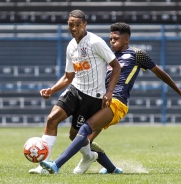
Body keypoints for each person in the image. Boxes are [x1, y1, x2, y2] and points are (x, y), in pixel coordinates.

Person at [39, 22, 181, 174]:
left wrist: (179, 91)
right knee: (79, 137)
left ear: (126, 39)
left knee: (85, 130)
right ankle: (113, 169)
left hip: (117, 102)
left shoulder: (137, 54)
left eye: (116, 38)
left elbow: (159, 72)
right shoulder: (107, 55)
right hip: (98, 100)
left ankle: (56, 164)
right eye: (111, 38)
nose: (112, 41)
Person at [29, 10, 121, 174]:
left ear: (85, 25)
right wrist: (52, 89)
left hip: (92, 97)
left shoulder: (95, 42)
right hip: (74, 91)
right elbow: (68, 76)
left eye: (78, 24)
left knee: (74, 136)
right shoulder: (71, 45)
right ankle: (42, 165)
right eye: (71, 24)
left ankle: (89, 157)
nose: (74, 28)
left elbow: (116, 67)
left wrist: (109, 92)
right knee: (52, 119)